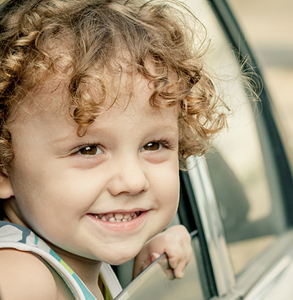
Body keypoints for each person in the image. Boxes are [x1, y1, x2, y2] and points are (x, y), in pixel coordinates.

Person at [0, 0, 227, 299]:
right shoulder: (21, 276)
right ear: (3, 168)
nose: (133, 181)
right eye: (89, 150)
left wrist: (142, 278)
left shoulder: (78, 259)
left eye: (153, 145)